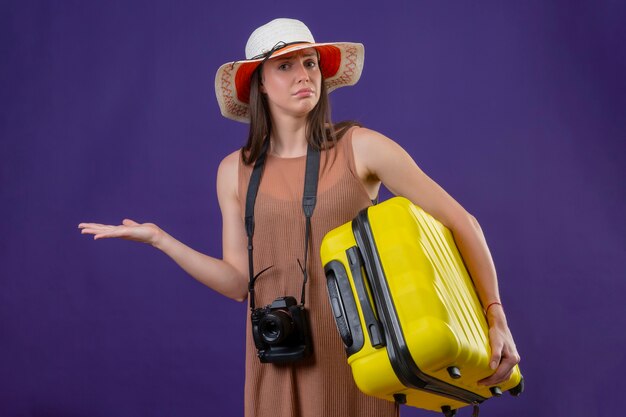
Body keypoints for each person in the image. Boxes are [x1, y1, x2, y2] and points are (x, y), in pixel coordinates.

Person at [79, 18, 520, 417]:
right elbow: (238, 283)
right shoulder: (234, 171)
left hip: (360, 359)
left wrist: (494, 317)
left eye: (309, 63)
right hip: (277, 359)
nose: (304, 75)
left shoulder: (361, 147)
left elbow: (463, 223)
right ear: (260, 85)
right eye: (285, 67)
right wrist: (161, 240)